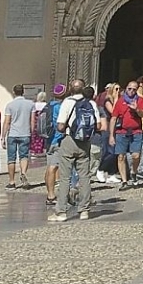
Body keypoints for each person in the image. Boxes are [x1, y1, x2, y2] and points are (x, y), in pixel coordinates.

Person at [49, 84, 100, 223]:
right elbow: (99, 125)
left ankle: (61, 212)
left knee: (65, 177)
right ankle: (84, 210)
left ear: (71, 90)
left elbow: (60, 126)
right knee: (84, 176)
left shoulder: (67, 102)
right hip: (85, 142)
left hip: (69, 140)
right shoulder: (91, 103)